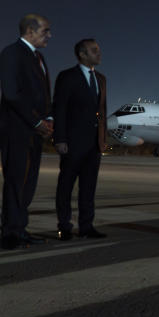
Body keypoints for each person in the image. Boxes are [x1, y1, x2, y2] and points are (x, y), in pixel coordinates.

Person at [0, 14, 53, 249]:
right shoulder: (11, 53)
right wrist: (35, 122)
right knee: (15, 181)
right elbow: (11, 94)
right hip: (17, 128)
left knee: (28, 183)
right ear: (30, 31)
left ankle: (20, 228)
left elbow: (44, 95)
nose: (49, 35)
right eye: (45, 31)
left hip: (34, 130)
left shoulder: (38, 57)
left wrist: (47, 119)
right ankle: (9, 233)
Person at [53, 39, 107, 240]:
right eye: (94, 50)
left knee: (88, 187)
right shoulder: (67, 77)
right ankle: (64, 226)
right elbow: (59, 108)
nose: (99, 54)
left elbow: (101, 111)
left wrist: (102, 139)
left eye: (98, 50)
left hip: (94, 144)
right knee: (66, 186)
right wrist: (60, 138)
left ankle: (86, 226)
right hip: (73, 142)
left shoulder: (101, 79)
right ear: (82, 54)